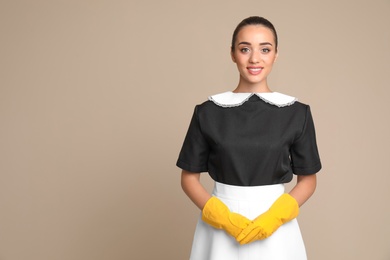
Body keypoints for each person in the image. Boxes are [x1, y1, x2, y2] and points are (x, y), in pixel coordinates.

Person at [176, 16, 321, 260]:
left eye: (265, 49)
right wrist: (222, 217)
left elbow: (308, 180)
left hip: (277, 228)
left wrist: (275, 217)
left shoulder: (297, 113)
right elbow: (188, 178)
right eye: (245, 49)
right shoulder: (208, 112)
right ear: (233, 54)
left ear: (276, 54)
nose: (255, 59)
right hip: (220, 229)